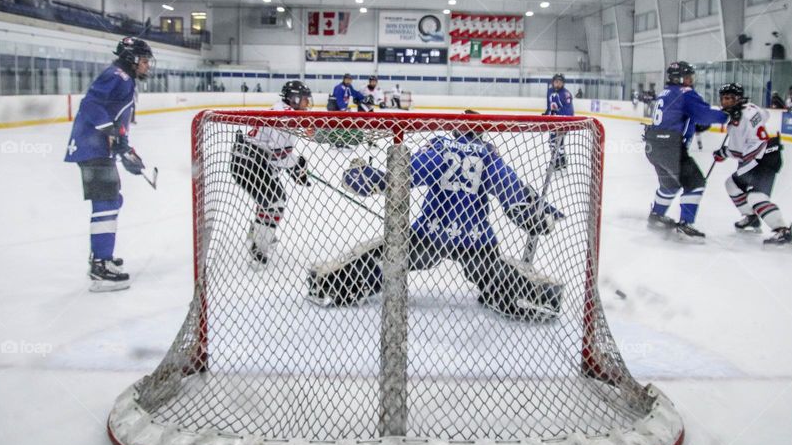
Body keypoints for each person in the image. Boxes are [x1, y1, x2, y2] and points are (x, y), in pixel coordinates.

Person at [307, 111, 565, 321]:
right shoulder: (488, 154)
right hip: (476, 240)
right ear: (480, 132)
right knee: (491, 272)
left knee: (389, 258)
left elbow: (408, 173)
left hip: (430, 235)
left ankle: (334, 282)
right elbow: (510, 192)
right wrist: (534, 212)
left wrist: (374, 178)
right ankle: (534, 294)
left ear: (456, 129)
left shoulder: (441, 146)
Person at [64, 37, 153, 292]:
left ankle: (101, 256)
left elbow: (115, 118)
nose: (147, 66)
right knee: (106, 202)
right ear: (132, 59)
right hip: (91, 147)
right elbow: (90, 105)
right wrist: (113, 134)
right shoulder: (117, 76)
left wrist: (125, 148)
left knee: (113, 200)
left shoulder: (124, 78)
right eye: (144, 61)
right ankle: (100, 266)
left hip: (98, 147)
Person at [229, 81, 313, 264]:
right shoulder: (286, 116)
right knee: (275, 201)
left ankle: (259, 232)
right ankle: (258, 249)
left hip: (251, 161)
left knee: (269, 198)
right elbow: (278, 155)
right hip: (250, 163)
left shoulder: (284, 111)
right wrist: (296, 166)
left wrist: (295, 168)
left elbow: (278, 153)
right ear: (294, 99)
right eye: (305, 100)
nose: (307, 104)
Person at [643, 61, 728, 240]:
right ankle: (686, 224)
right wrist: (727, 115)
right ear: (679, 78)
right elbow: (703, 114)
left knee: (670, 184)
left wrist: (692, 127)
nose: (691, 80)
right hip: (671, 148)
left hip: (654, 146)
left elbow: (675, 117)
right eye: (688, 77)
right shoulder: (685, 93)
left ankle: (656, 216)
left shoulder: (664, 93)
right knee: (696, 182)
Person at [713, 83, 792, 246]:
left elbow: (737, 151)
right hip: (766, 153)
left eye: (729, 98)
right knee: (732, 184)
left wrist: (722, 153)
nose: (725, 102)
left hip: (763, 159)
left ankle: (782, 231)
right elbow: (765, 115)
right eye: (723, 98)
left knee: (756, 197)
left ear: (737, 99)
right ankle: (751, 217)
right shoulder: (750, 106)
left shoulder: (737, 121)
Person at [544, 73, 574, 170]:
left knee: (558, 142)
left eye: (560, 82)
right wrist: (547, 113)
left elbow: (569, 111)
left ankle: (559, 161)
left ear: (563, 83)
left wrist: (562, 121)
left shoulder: (566, 94)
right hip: (553, 121)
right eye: (556, 81)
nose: (558, 84)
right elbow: (549, 106)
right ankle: (560, 161)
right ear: (553, 82)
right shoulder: (549, 91)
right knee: (553, 142)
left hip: (563, 121)